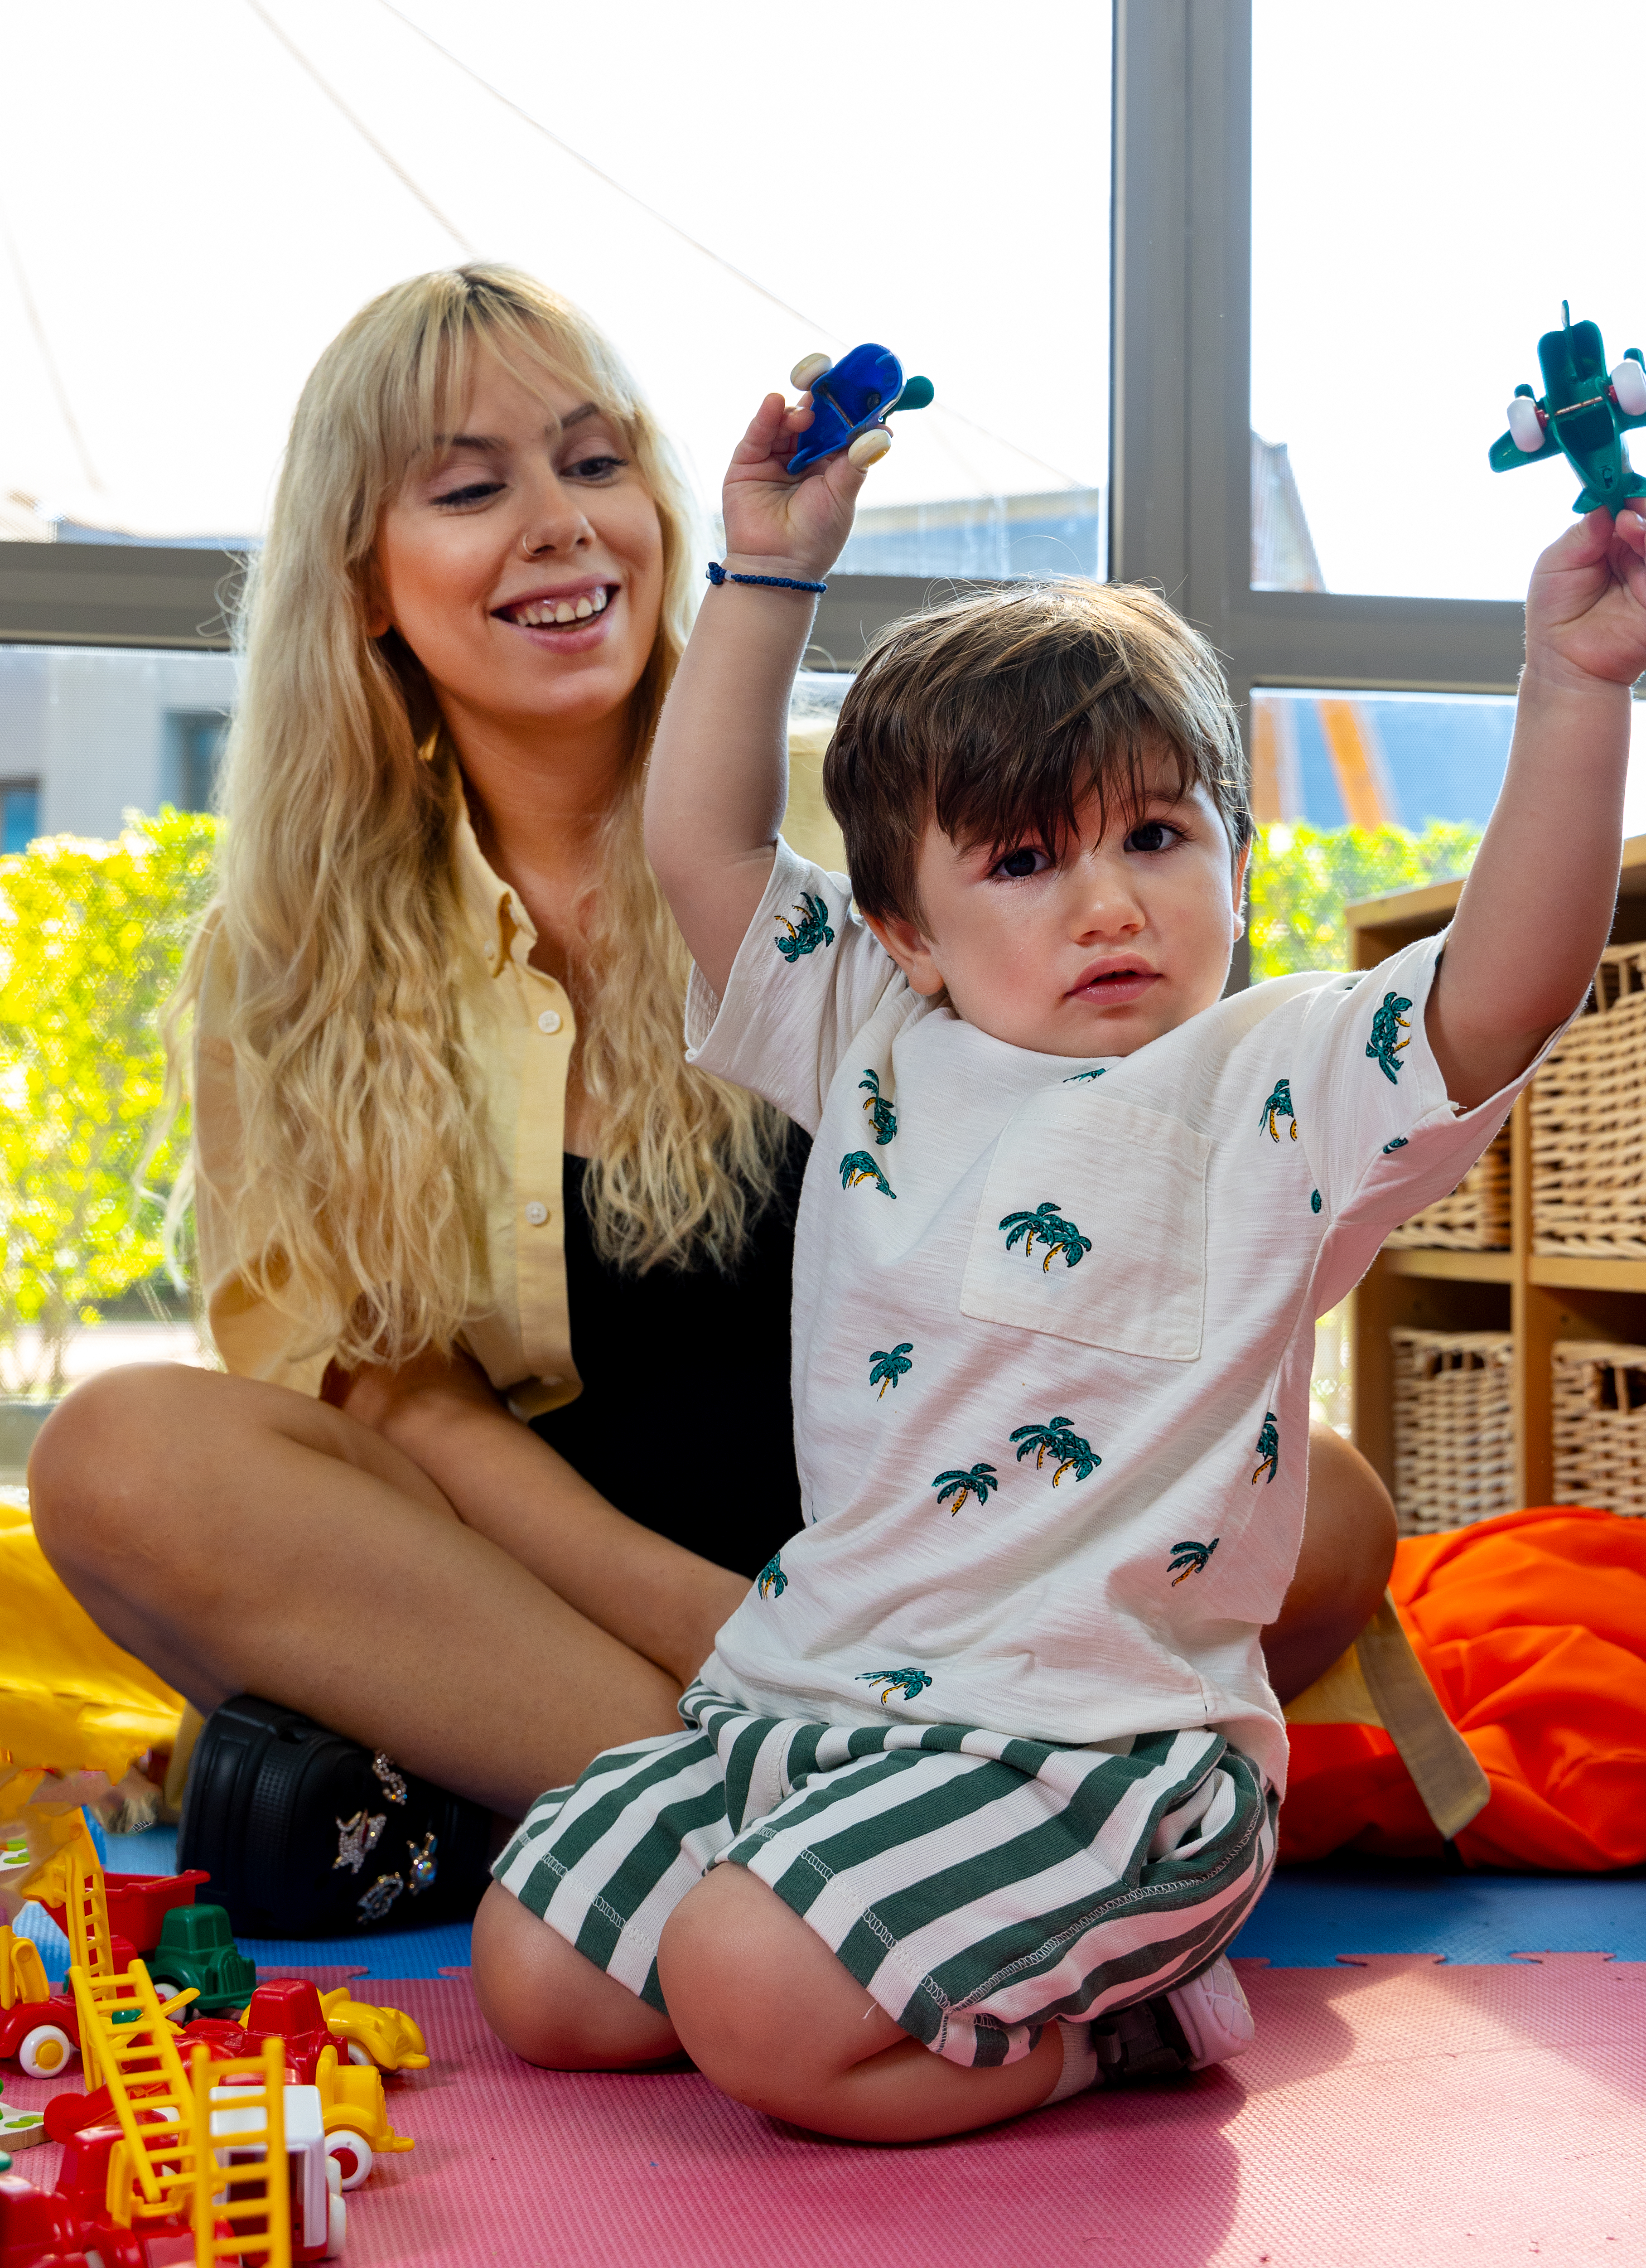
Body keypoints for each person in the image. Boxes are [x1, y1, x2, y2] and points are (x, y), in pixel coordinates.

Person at [27, 271, 1387, 1868]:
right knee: (120, 1461)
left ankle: (565, 1817)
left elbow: (1133, 1134)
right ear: (368, 580)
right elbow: (399, 1403)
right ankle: (821, 1807)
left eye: (596, 465)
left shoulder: (857, 820)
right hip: (563, 1595)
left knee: (1333, 1509)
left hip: (943, 1556)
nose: (561, 524)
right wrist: (733, 1641)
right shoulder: (279, 958)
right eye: (473, 488)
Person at [474, 378, 1646, 2143]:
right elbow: (702, 844)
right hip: (809, 1699)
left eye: (1157, 838)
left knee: (751, 1996)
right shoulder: (863, 1023)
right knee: (538, 1977)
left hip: (1104, 1759)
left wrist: (1576, 688)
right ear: (903, 925)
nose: (1107, 902)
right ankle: (912, 1966)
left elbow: (1503, 989)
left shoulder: (1276, 1081)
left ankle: (1135, 2022)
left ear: (1238, 861)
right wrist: (765, 578)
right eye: (1024, 861)